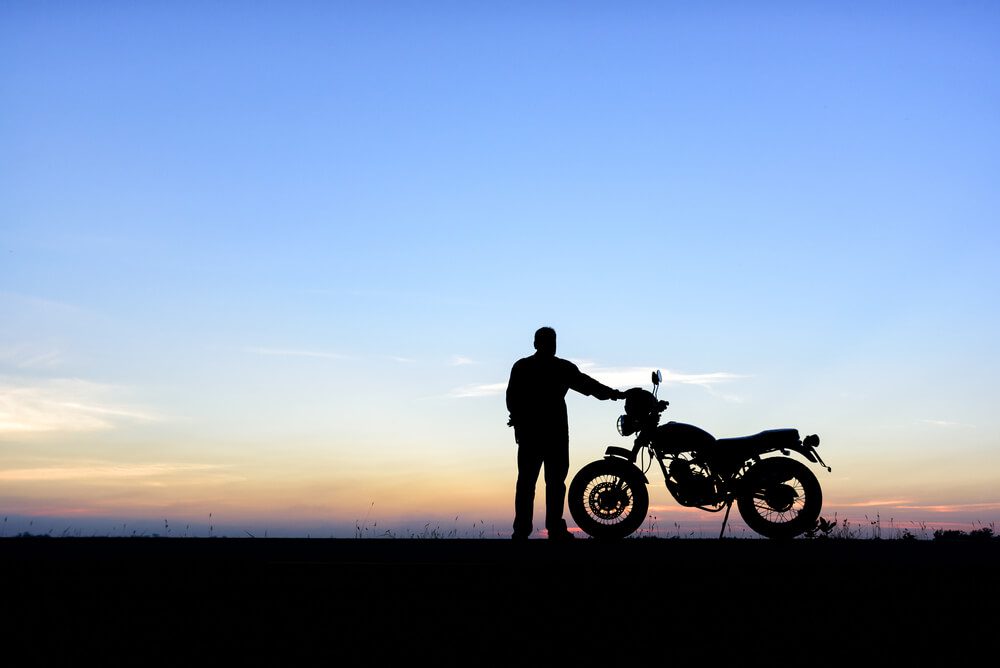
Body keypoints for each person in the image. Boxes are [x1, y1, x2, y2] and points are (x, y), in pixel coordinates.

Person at [506, 326, 623, 540]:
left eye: (552, 341)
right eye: (548, 341)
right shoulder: (549, 367)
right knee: (540, 483)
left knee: (538, 483)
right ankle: (540, 529)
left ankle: (533, 530)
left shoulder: (529, 367)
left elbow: (589, 386)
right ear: (537, 344)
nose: (551, 345)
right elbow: (589, 386)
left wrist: (615, 394)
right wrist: (615, 394)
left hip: (543, 435)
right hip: (549, 434)